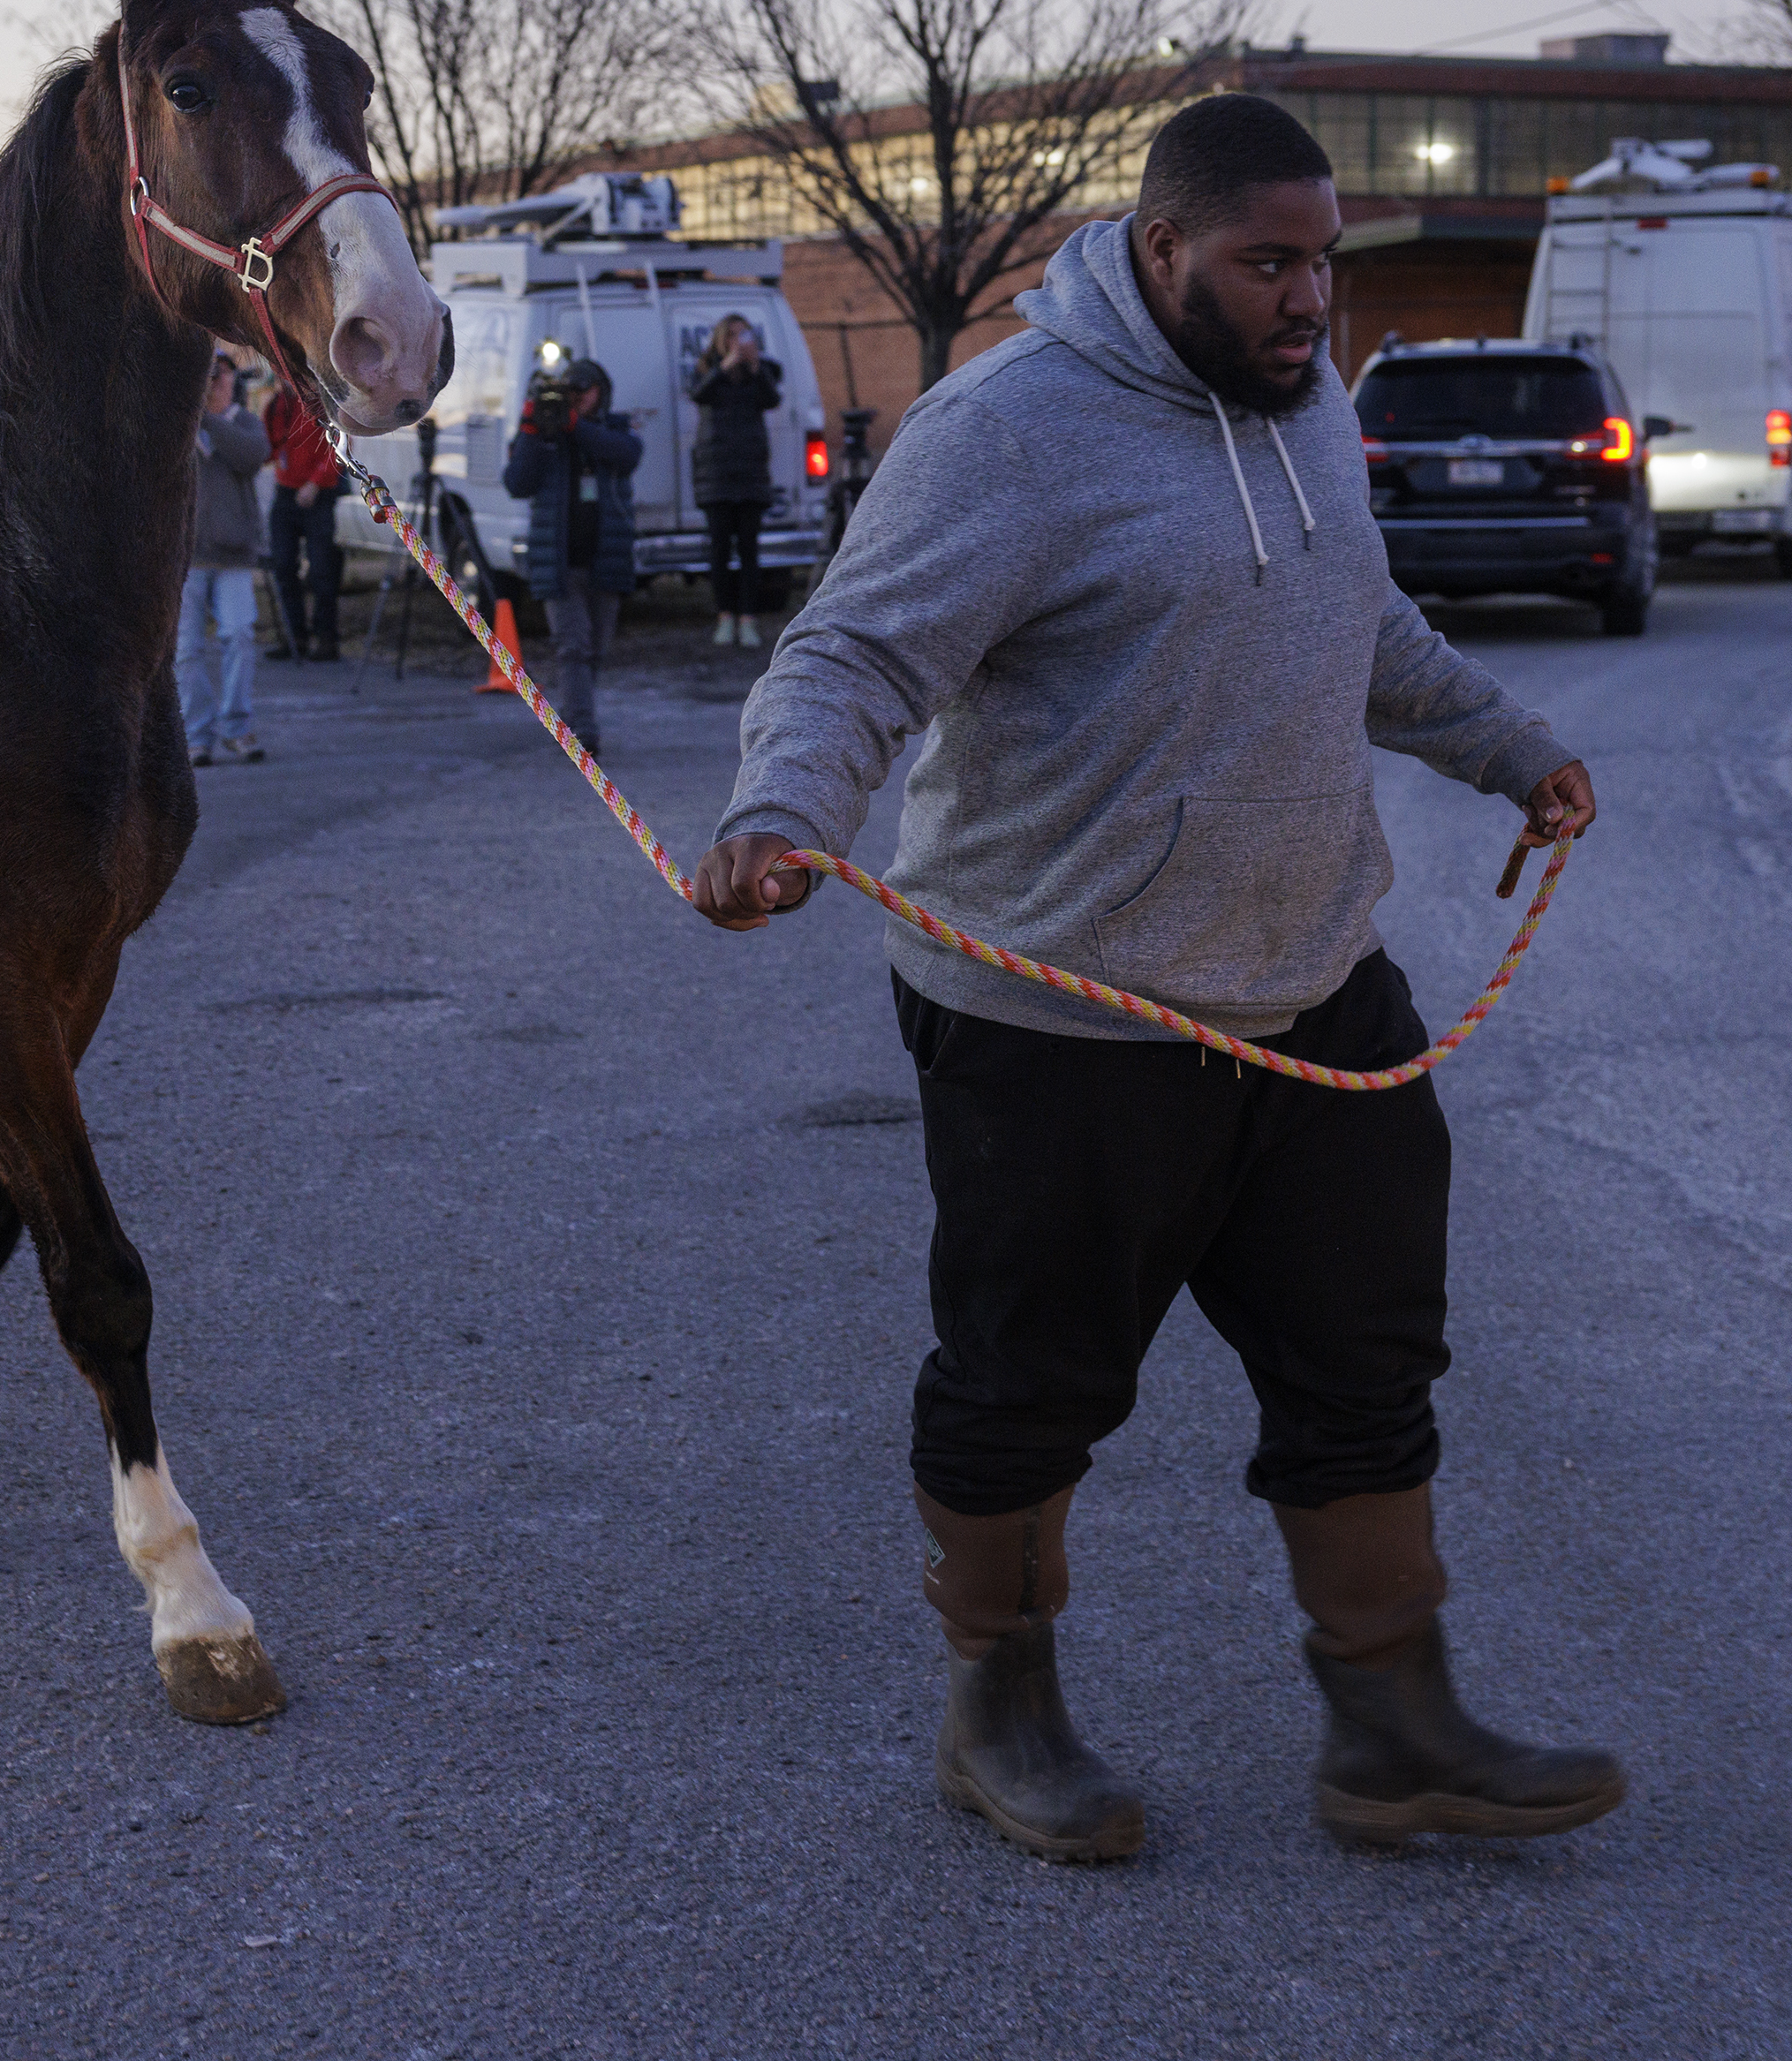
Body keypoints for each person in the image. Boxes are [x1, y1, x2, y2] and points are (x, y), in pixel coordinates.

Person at [691, 93, 1618, 1866]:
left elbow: (1361, 622)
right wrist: (782, 809)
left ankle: (1393, 1722)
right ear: (1164, 246)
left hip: (1314, 987)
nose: (1308, 300)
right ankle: (1001, 1706)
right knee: (1027, 1381)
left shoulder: (1312, 408)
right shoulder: (1009, 432)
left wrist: (1509, 744)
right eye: (1271, 263)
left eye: (1325, 262)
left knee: (1366, 1364)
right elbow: (856, 648)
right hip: (1063, 1015)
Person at [500, 354, 640, 759]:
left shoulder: (613, 429)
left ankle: (576, 715)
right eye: (571, 392)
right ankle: (581, 730)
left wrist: (577, 427)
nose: (577, 399)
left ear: (602, 393)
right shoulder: (545, 435)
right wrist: (531, 428)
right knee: (572, 646)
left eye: (585, 391)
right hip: (558, 562)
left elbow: (628, 454)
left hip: (606, 559)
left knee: (595, 648)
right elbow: (517, 483)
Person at [181, 351, 273, 765]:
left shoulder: (244, 422)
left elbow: (251, 457)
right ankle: (195, 735)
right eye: (211, 375)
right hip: (187, 558)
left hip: (234, 555)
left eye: (224, 376)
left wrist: (207, 416)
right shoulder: (180, 424)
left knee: (238, 636)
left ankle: (237, 727)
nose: (218, 382)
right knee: (186, 651)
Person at [686, 314, 783, 647]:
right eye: (732, 337)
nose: (738, 343)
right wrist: (724, 366)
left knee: (749, 549)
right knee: (718, 549)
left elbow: (773, 400)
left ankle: (748, 618)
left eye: (744, 336)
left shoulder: (761, 371)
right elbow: (698, 394)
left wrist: (756, 369)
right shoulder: (708, 369)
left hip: (751, 473)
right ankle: (724, 616)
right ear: (720, 340)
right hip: (716, 473)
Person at [261, 366, 346, 662]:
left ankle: (327, 639)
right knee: (283, 566)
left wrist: (315, 482)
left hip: (318, 494)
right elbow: (269, 447)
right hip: (286, 493)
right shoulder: (276, 405)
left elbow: (338, 447)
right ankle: (294, 637)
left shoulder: (321, 401)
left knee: (322, 569)